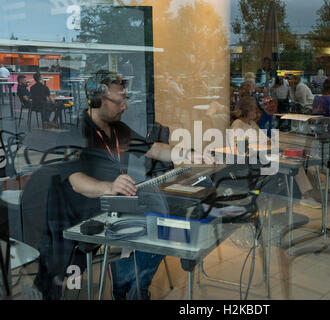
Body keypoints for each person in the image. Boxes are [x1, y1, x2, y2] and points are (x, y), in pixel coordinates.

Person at [34, 72, 214, 300]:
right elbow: (76, 181)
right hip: (82, 215)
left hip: (112, 206)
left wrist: (190, 154)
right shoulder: (76, 133)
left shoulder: (118, 129)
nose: (125, 106)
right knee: (161, 229)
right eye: (120, 101)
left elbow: (155, 149)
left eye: (125, 100)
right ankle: (130, 285)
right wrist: (109, 186)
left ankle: (127, 281)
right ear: (98, 99)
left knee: (172, 226)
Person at [230, 96, 322, 208]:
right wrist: (262, 144)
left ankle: (310, 190)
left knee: (294, 162)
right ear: (247, 110)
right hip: (255, 160)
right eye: (254, 110)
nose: (256, 112)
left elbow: (265, 139)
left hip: (266, 155)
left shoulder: (252, 124)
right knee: (293, 165)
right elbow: (238, 146)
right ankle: (307, 195)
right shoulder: (237, 124)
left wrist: (273, 143)